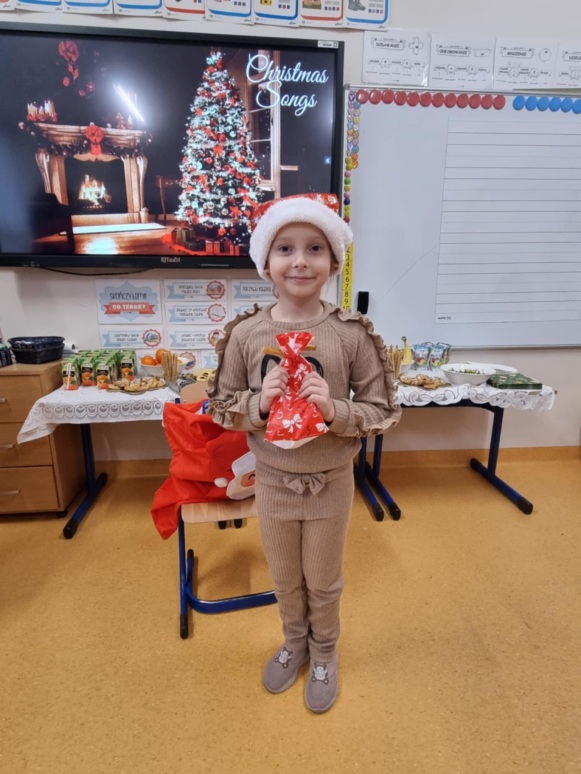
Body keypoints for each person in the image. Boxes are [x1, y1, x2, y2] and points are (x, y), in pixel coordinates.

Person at [206, 193, 401, 713]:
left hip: (330, 482)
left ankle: (325, 653)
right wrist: (258, 404)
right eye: (285, 248)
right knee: (285, 578)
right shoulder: (247, 334)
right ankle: (294, 643)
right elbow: (221, 404)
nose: (300, 261)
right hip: (272, 481)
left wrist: (335, 410)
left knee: (323, 579)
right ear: (265, 262)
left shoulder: (350, 334)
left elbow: (382, 409)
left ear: (334, 261)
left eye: (315, 248)